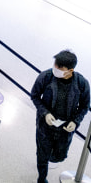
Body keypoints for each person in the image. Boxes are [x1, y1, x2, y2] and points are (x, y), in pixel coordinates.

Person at [31, 50, 89, 182]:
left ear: (70, 70)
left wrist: (75, 121)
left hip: (65, 128)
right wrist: (45, 113)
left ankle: (53, 158)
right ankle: (42, 178)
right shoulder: (45, 77)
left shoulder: (81, 84)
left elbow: (85, 106)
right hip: (45, 126)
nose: (55, 69)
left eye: (60, 67)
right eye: (55, 65)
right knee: (42, 155)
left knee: (59, 156)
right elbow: (34, 95)